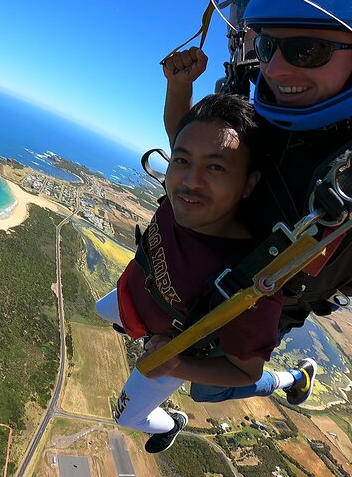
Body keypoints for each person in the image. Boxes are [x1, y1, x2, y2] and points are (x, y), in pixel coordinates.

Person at [162, 0, 352, 347]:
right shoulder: (266, 114)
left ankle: (294, 377)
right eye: (268, 46)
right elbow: (186, 149)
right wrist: (179, 89)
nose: (275, 69)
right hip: (215, 270)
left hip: (270, 299)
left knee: (213, 388)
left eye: (308, 50)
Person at [95, 92, 318, 454]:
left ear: (248, 183)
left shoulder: (248, 284)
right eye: (181, 161)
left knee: (127, 417)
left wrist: (178, 363)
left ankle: (173, 424)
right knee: (98, 309)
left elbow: (245, 372)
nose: (191, 180)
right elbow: (180, 132)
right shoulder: (183, 198)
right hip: (135, 301)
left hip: (171, 350)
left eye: (216, 167)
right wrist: (178, 85)